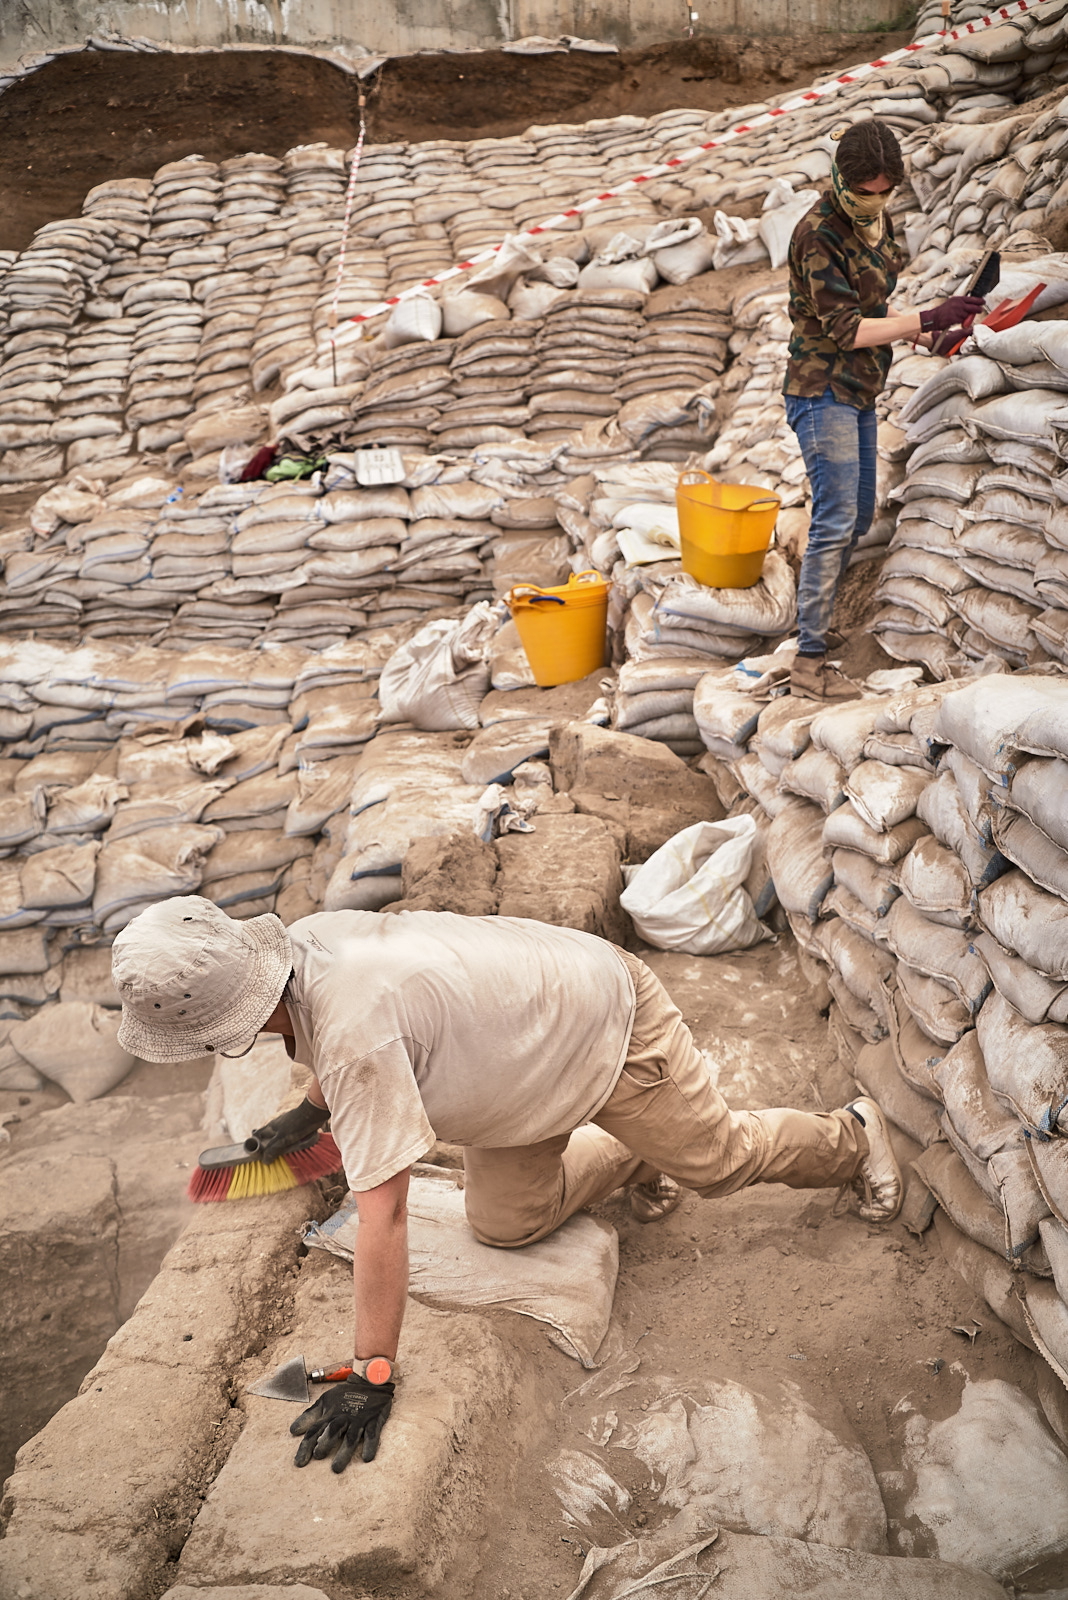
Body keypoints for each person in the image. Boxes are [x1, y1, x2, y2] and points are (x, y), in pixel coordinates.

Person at [112, 896, 903, 1473]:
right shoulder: (303, 948)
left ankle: (853, 1138)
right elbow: (345, 1038)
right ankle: (633, 1152)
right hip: (521, 1069)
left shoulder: (352, 1031)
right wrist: (308, 1114)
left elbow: (384, 1217)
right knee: (504, 1224)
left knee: (718, 1162)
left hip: (602, 1023)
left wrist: (372, 1372)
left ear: (231, 1022)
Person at [784, 117, 985, 700]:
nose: (873, 202)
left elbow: (875, 305)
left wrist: (928, 337)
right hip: (822, 389)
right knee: (835, 520)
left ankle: (816, 630)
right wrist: (925, 318)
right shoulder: (818, 233)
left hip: (860, 389)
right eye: (862, 192)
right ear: (840, 181)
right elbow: (845, 329)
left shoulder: (876, 221)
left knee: (858, 518)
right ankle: (809, 662)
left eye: (883, 192)